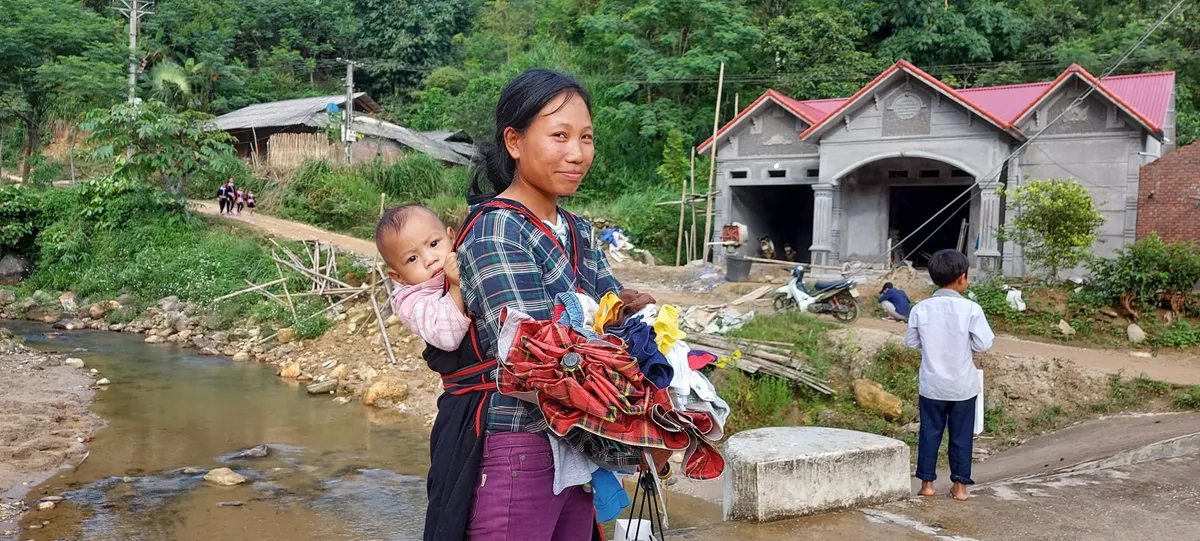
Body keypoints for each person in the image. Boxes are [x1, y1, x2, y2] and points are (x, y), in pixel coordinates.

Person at [422, 69, 638, 541]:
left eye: (586, 137)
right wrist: (638, 434)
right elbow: (537, 358)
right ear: (515, 142)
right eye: (559, 135)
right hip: (521, 446)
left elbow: (621, 325)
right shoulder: (498, 229)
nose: (577, 153)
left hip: (581, 448)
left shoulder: (579, 231)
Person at [904, 249, 994, 501]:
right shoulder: (972, 309)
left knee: (930, 432)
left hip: (932, 386)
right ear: (962, 278)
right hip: (962, 386)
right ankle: (960, 488)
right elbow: (983, 344)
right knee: (961, 436)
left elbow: (911, 343)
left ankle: (927, 484)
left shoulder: (920, 309)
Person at [376, 204, 469, 352]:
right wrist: (455, 287)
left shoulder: (469, 256)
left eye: (433, 244)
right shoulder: (413, 302)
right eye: (412, 258)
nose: (429, 259)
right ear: (398, 277)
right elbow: (447, 337)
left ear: (452, 237)